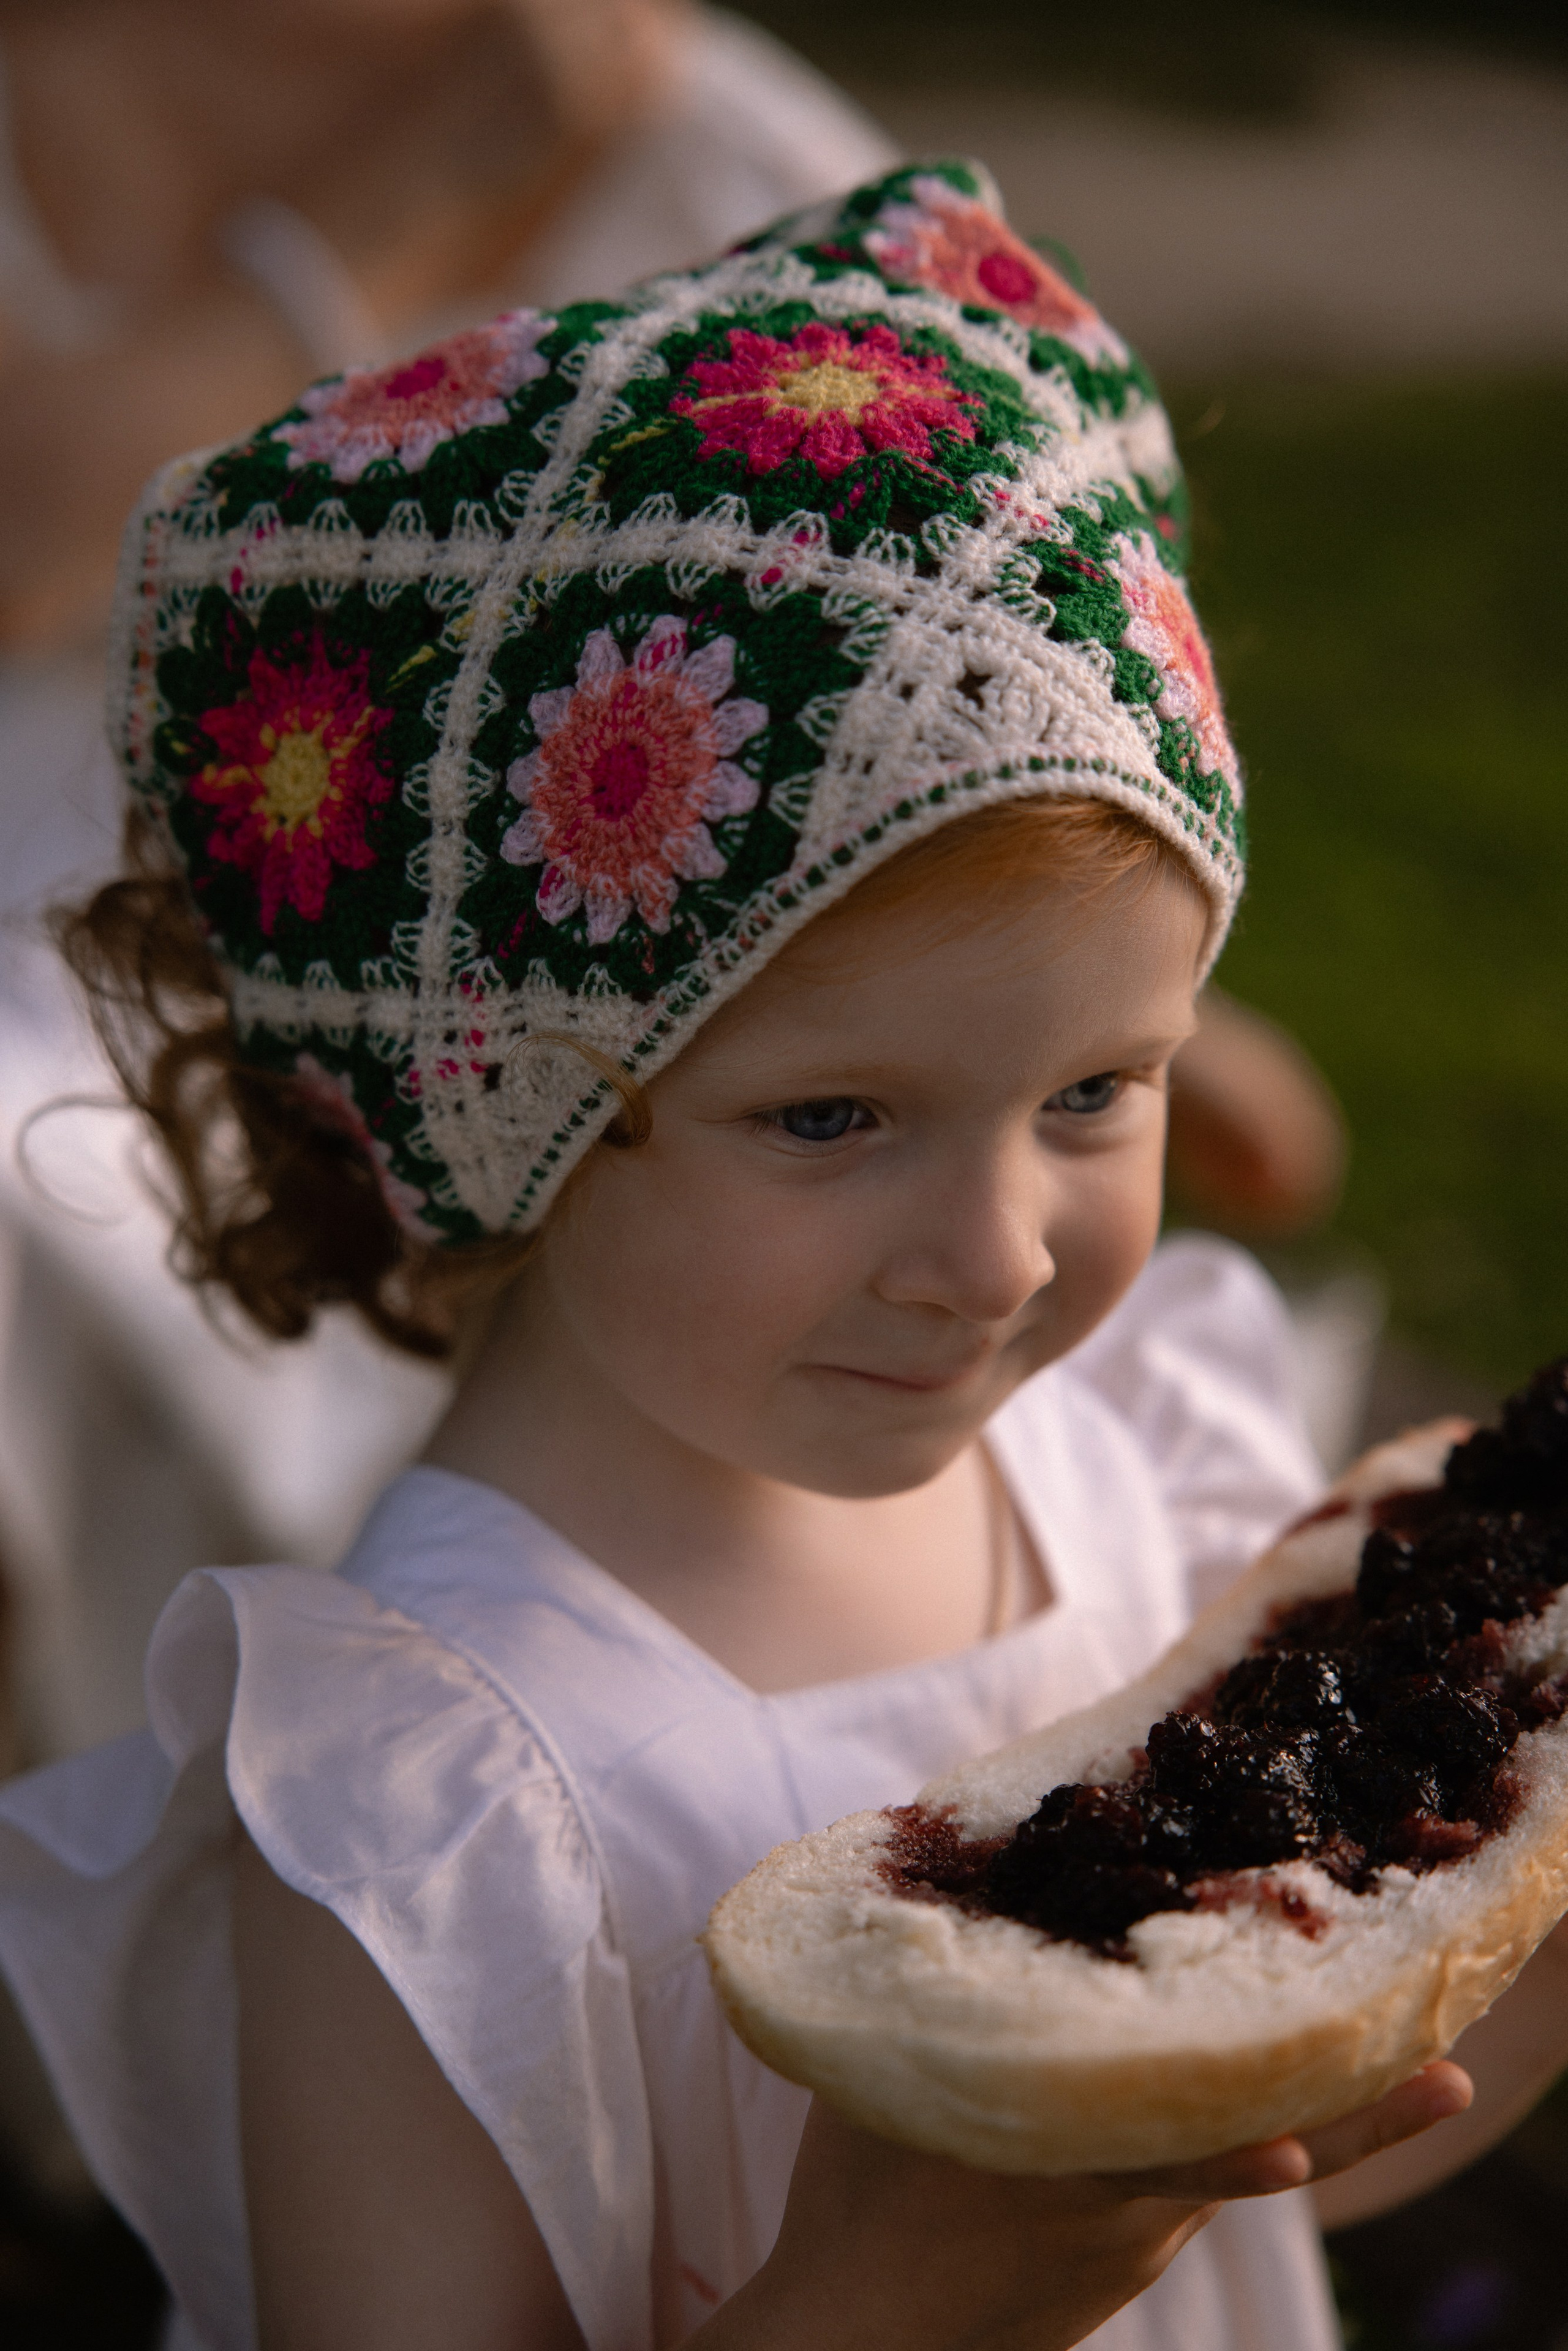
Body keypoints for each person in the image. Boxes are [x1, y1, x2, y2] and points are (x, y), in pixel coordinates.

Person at [2, 159, 1534, 2351]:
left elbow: (1275, 2170)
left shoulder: (1129, 1467)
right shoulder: (421, 1811)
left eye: (1098, 1090)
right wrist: (882, 2298)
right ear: (497, 1110)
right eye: (832, 1120)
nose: (998, 1254)